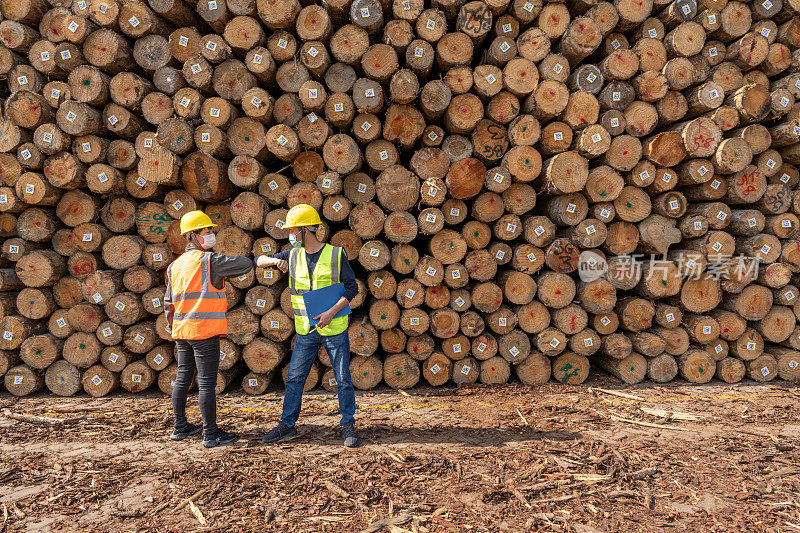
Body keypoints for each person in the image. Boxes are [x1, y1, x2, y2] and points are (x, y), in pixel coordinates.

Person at [256, 204, 361, 447]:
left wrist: (331, 311)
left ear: (305, 231)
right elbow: (257, 260)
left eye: (293, 231)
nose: (290, 236)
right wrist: (272, 260)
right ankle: (287, 424)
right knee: (294, 378)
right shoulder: (291, 255)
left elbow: (352, 288)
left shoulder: (335, 254)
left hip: (333, 327)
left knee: (343, 377)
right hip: (306, 330)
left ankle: (348, 424)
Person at [164, 210, 257, 448]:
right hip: (204, 330)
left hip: (182, 332)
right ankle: (211, 434)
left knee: (183, 377)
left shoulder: (175, 266)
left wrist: (174, 326)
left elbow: (168, 303)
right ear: (193, 235)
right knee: (206, 383)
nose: (212, 235)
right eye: (207, 231)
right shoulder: (209, 261)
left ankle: (180, 427)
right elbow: (244, 264)